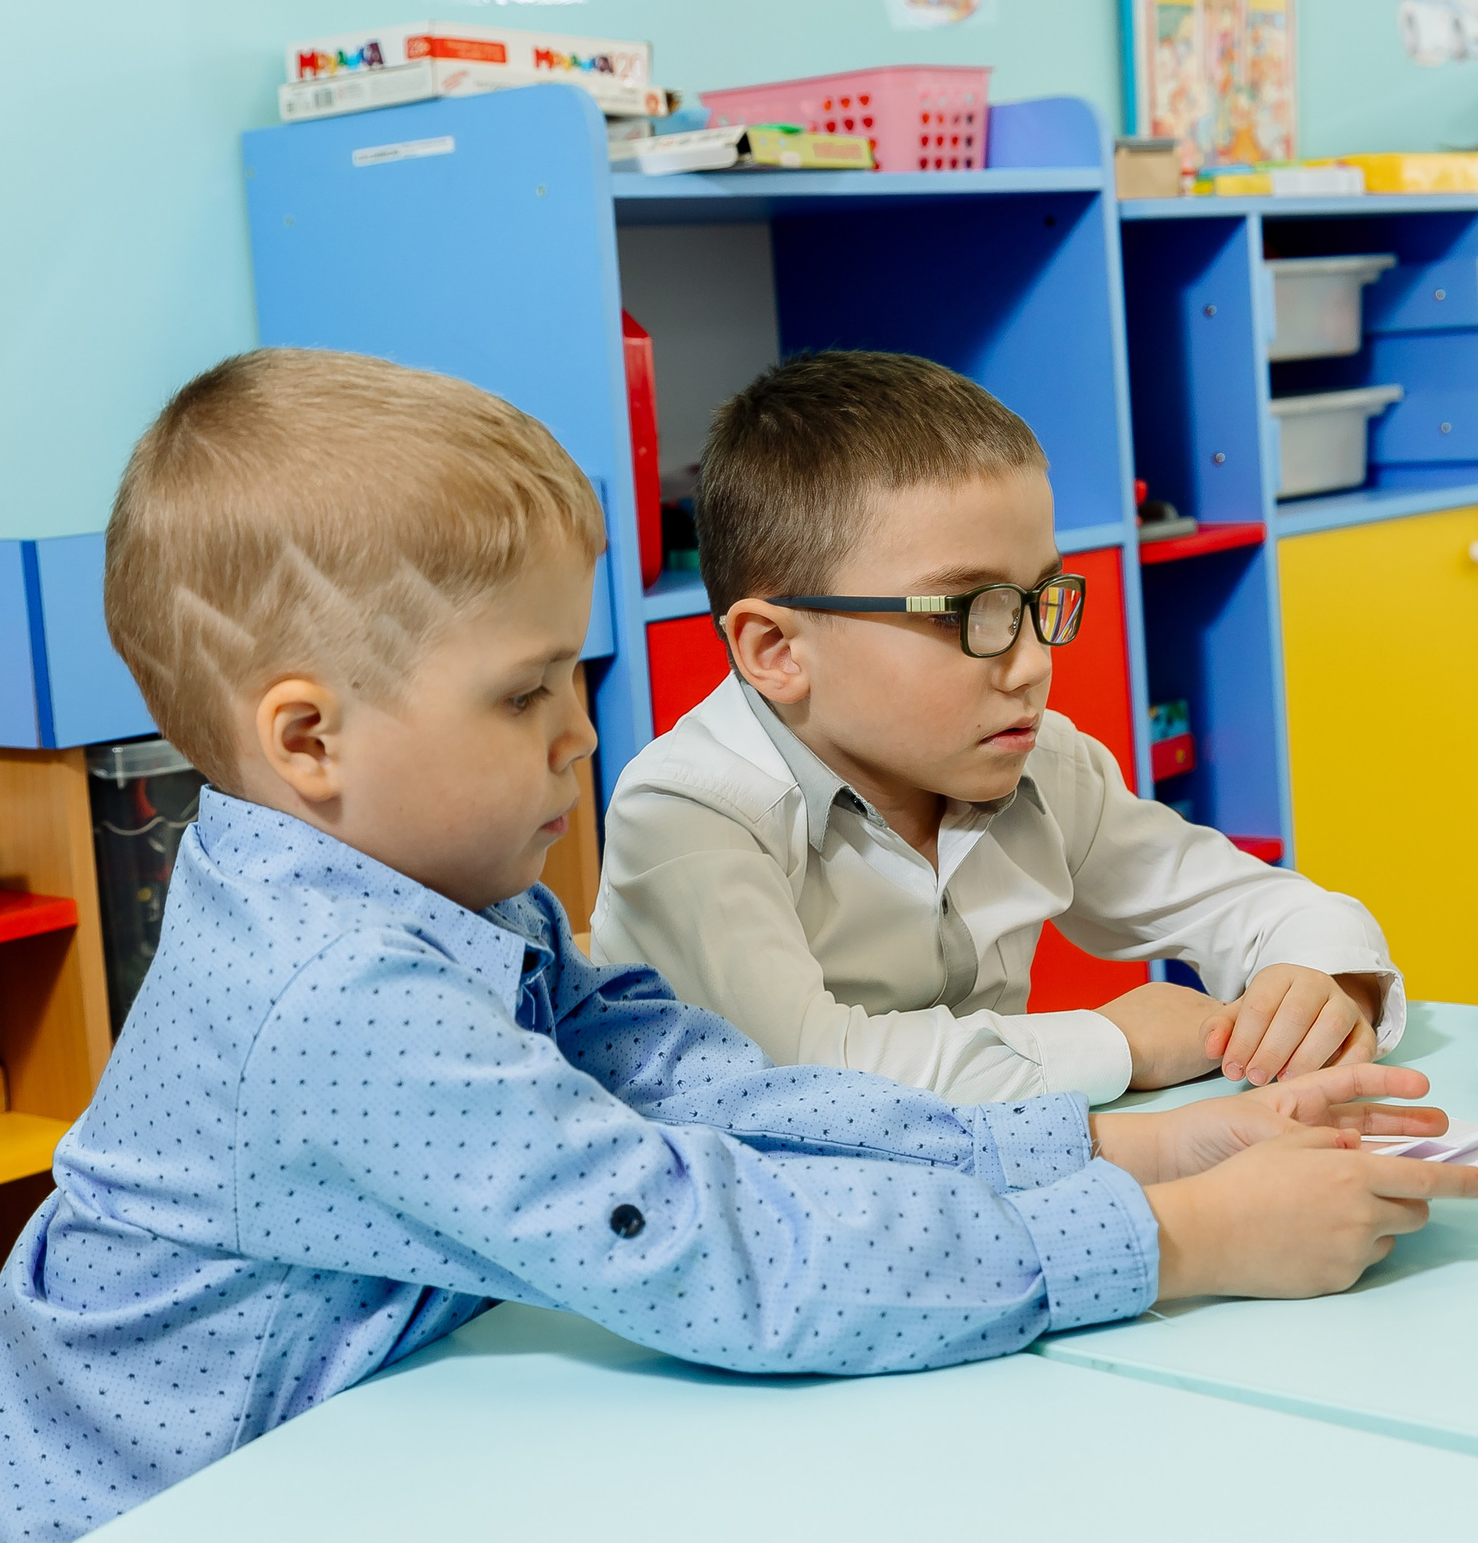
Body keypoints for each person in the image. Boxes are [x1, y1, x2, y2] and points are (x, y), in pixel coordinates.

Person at [0, 349, 1478, 1543]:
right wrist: (1178, 1244)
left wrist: (1131, 1150)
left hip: (378, 1441)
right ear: (309, 737)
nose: (580, 733)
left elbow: (709, 1086)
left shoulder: (443, 895)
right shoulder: (333, 990)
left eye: (579, 673)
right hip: (200, 1500)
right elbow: (695, 1237)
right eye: (525, 692)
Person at [590, 350, 1404, 1107]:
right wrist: (1118, 1040)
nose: (1031, 664)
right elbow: (803, 1076)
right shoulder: (687, 811)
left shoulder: (1036, 763)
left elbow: (1267, 906)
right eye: (967, 612)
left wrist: (1321, 981)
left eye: (1039, 600)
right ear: (776, 649)